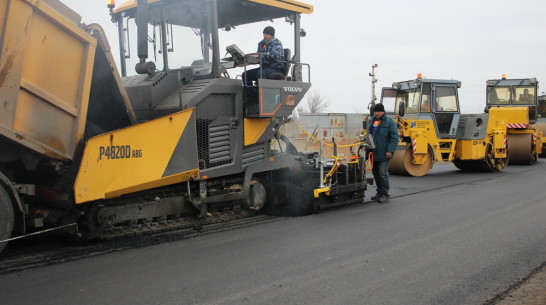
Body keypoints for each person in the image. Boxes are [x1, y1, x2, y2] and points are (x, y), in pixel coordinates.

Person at [367, 103, 399, 203]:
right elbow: (368, 135)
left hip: (384, 153)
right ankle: (379, 192)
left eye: (378, 111)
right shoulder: (371, 121)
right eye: (375, 111)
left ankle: (385, 194)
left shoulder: (389, 122)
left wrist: (390, 150)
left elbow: (394, 138)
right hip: (373, 153)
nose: (376, 113)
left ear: (383, 112)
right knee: (375, 174)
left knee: (382, 174)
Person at [242, 26, 284, 101]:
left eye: (266, 34)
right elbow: (258, 57)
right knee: (245, 74)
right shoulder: (261, 44)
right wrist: (250, 58)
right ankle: (251, 98)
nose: (264, 36)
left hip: (274, 68)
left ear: (271, 35)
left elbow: (275, 55)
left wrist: (259, 55)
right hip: (263, 67)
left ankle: (264, 99)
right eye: (264, 34)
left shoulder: (277, 43)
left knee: (260, 74)